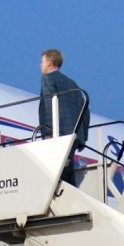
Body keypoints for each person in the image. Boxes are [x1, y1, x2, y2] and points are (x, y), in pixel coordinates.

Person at [37, 49, 90, 187]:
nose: (40, 65)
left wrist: (49, 132)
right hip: (73, 136)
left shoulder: (47, 79)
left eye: (42, 62)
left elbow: (49, 103)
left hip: (57, 134)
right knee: (67, 168)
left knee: (56, 172)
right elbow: (86, 110)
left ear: (49, 63)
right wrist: (82, 138)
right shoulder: (73, 84)